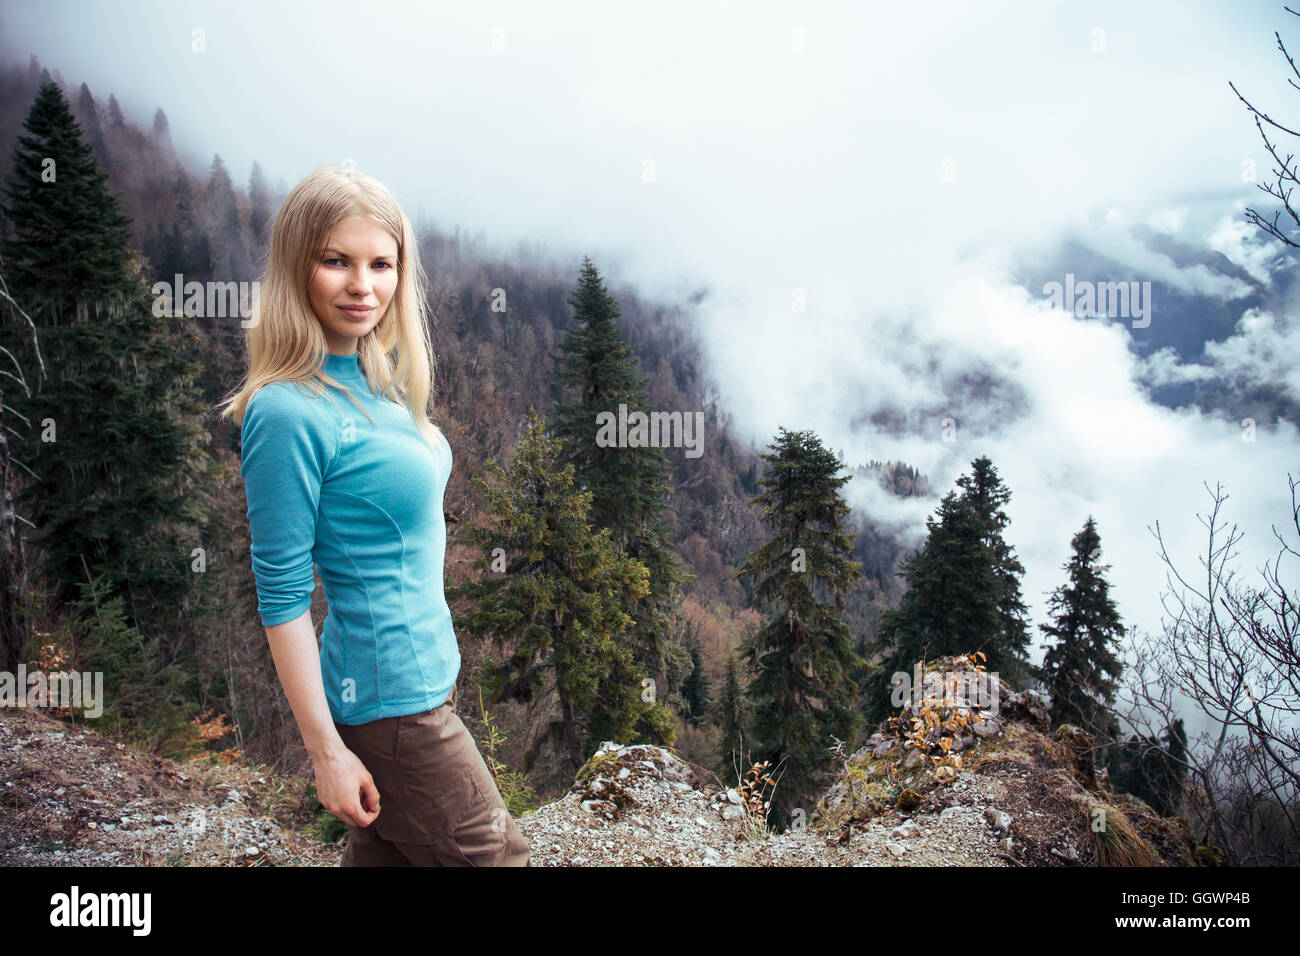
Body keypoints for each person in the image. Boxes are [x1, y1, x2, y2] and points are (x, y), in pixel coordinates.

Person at [218, 164, 530, 866]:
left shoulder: (372, 382)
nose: (363, 285)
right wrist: (326, 752)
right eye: (336, 261)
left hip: (408, 690)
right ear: (297, 268)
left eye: (380, 263)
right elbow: (281, 596)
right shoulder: (287, 410)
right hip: (394, 707)